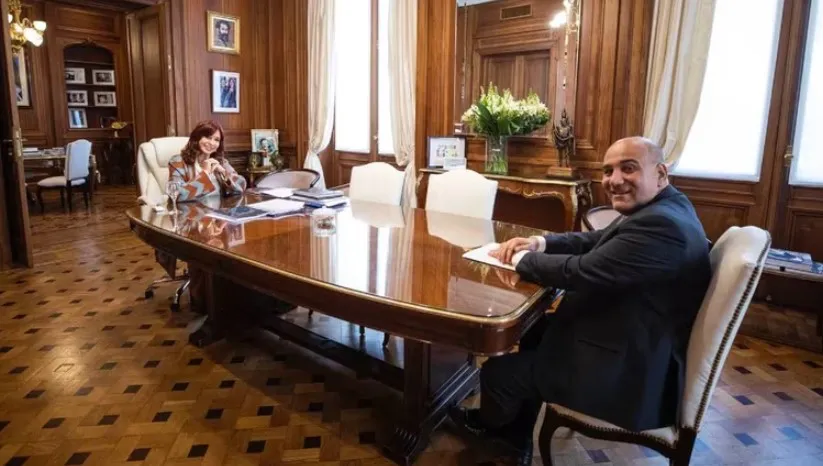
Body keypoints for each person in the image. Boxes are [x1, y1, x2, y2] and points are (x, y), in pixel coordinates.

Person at [450, 136, 712, 464]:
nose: (614, 180)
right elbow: (596, 240)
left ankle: (500, 438)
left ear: (660, 173)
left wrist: (514, 261)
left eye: (628, 168)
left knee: (497, 374)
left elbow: (582, 271)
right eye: (608, 171)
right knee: (533, 329)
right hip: (629, 335)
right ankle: (516, 430)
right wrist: (539, 243)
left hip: (624, 373)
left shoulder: (662, 227)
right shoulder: (668, 207)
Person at [168, 120, 246, 201]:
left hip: (218, 210)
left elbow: (242, 186)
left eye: (216, 140)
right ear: (197, 138)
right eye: (208, 137)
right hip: (192, 211)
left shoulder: (221, 162)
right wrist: (205, 173)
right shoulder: (178, 162)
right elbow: (175, 195)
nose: (212, 143)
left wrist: (224, 174)